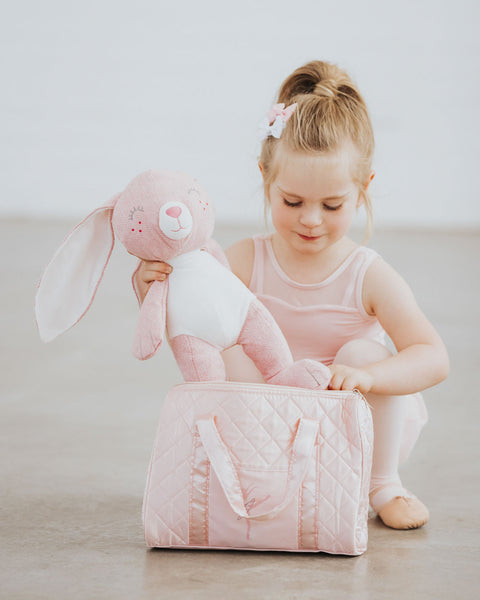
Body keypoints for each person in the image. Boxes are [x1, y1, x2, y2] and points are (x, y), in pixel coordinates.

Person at [134, 60, 449, 530]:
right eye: (292, 201)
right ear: (266, 179)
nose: (311, 219)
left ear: (364, 190)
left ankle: (382, 484)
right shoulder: (243, 260)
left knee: (365, 346)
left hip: (348, 432)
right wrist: (153, 288)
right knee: (231, 345)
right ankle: (246, 475)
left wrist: (368, 374)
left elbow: (433, 357)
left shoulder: (368, 275)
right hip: (265, 432)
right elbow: (192, 325)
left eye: (333, 204)